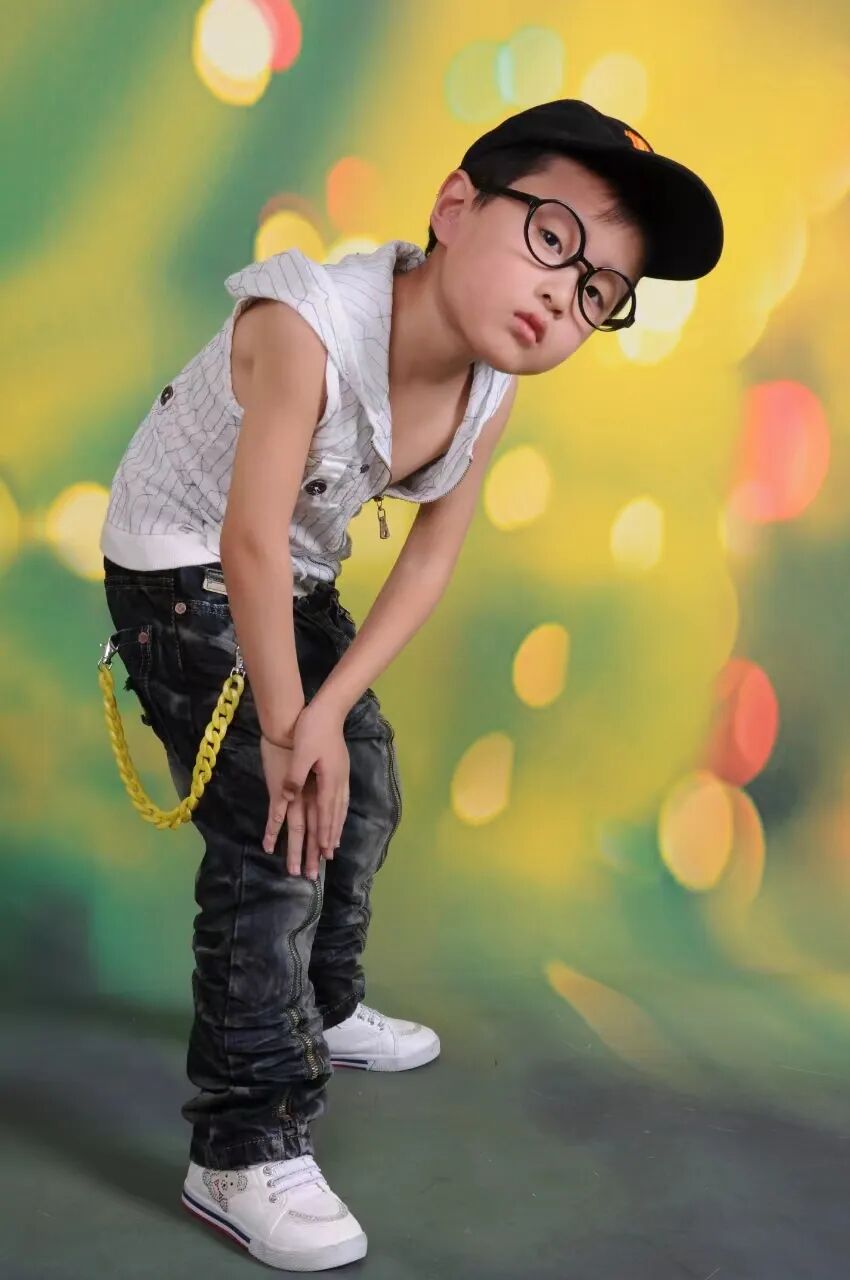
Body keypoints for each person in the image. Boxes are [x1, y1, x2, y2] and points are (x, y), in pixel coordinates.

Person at [98, 97, 723, 1272]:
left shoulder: (492, 384)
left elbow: (427, 560)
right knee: (276, 819)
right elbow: (244, 539)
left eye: (600, 290)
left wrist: (330, 711)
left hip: (289, 569)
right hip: (181, 567)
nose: (565, 294)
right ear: (454, 206)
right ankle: (241, 1140)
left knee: (364, 773)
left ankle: (323, 999)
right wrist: (285, 729)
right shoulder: (307, 324)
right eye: (553, 238)